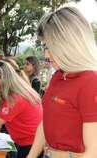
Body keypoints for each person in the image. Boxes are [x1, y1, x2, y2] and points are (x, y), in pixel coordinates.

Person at [27, 7, 97, 158]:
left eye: (50, 46)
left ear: (69, 44)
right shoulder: (58, 76)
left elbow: (93, 151)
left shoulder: (91, 82)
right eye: (45, 46)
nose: (46, 54)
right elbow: (46, 122)